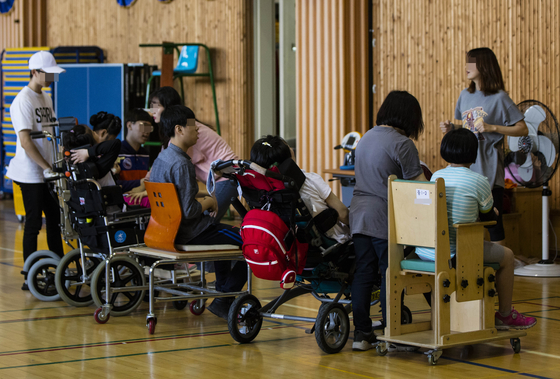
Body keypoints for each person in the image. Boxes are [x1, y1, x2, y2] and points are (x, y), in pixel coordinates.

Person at [416, 128, 537, 330]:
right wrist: (494, 213)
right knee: (507, 256)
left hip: (427, 252)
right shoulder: (479, 181)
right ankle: (505, 315)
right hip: (457, 252)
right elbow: (489, 216)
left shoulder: (436, 177)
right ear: (474, 154)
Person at [149, 105, 247, 320]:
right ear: (179, 129)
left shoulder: (162, 159)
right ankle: (224, 297)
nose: (198, 131)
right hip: (192, 231)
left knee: (224, 242)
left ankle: (223, 293)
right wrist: (209, 201)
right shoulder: (181, 163)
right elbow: (189, 210)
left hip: (166, 231)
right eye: (194, 127)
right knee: (251, 243)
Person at [349, 90, 427, 351]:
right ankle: (391, 330)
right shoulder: (402, 143)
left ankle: (361, 334)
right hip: (384, 217)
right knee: (389, 274)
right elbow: (419, 187)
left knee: (363, 272)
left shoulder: (366, 137)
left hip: (358, 215)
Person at [440, 47, 528, 246]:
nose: (466, 67)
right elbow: (463, 127)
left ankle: (500, 267)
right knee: (467, 221)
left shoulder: (500, 98)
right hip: (464, 170)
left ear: (484, 66)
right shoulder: (464, 95)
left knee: (494, 223)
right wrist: (450, 128)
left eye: (471, 63)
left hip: (488, 168)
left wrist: (492, 127)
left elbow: (522, 129)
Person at [131, 86, 238, 222]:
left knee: (204, 225)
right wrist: (141, 187)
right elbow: (161, 162)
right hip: (214, 180)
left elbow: (168, 168)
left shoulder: (188, 132)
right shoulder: (177, 132)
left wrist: (145, 190)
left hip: (227, 177)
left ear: (169, 107)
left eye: (156, 107)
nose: (152, 111)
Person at [6, 51, 65, 290]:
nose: (51, 77)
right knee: (33, 223)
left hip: (47, 171)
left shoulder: (46, 97)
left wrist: (57, 164)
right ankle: (28, 274)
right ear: (35, 72)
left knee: (55, 219)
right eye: (48, 73)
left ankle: (59, 268)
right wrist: (46, 168)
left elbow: (50, 134)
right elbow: (25, 141)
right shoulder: (23, 100)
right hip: (31, 173)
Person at [250, 135, 350, 243]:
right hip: (332, 243)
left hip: (287, 246)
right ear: (288, 158)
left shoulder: (262, 192)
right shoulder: (310, 180)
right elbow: (344, 214)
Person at [117, 109, 152, 192]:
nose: (147, 131)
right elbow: (114, 184)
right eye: (143, 126)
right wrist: (140, 182)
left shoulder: (146, 154)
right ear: (129, 125)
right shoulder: (117, 152)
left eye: (149, 128)